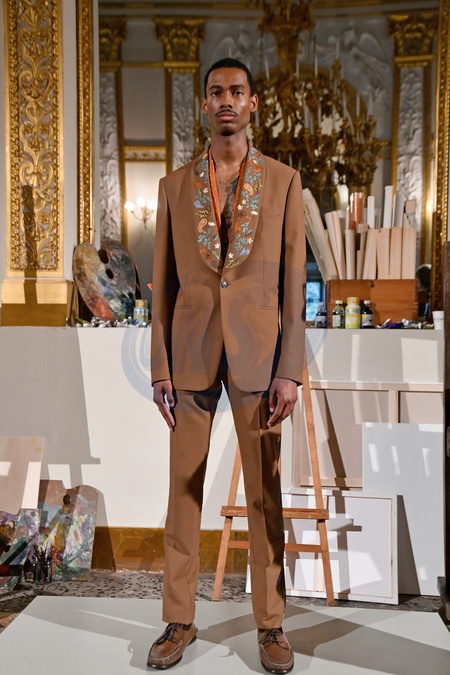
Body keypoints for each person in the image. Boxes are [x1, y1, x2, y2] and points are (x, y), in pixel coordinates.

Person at [147, 57, 306, 674]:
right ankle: (179, 619)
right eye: (216, 92)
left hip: (260, 358)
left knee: (265, 495)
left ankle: (271, 625)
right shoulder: (173, 187)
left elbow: (293, 284)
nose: (226, 101)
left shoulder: (284, 182)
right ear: (204, 103)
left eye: (237, 91)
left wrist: (290, 368)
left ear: (253, 102)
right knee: (183, 492)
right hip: (189, 353)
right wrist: (159, 365)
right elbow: (162, 285)